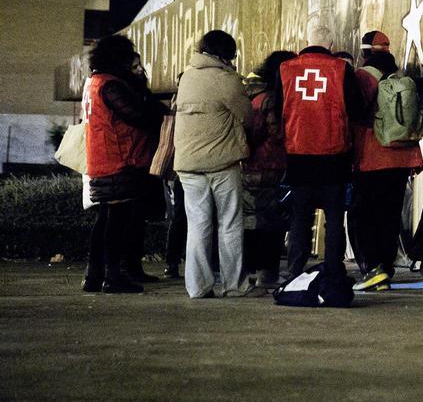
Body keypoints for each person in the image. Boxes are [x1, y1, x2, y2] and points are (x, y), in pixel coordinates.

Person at [276, 22, 366, 279]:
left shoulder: (285, 70)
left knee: (300, 217)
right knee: (334, 218)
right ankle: (334, 272)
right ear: (331, 45)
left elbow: (277, 111)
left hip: (298, 155)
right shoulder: (340, 69)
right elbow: (356, 110)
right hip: (334, 156)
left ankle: (294, 273)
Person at [82, 35, 167, 294]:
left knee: (106, 218)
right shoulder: (110, 85)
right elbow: (138, 116)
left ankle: (94, 275)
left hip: (102, 158)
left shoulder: (94, 82)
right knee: (116, 221)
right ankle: (112, 276)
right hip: (119, 160)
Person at [173, 30, 252, 299]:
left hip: (187, 164)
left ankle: (197, 287)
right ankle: (234, 285)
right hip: (221, 163)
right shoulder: (226, 80)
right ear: (224, 55)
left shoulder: (187, 77)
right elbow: (247, 116)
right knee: (229, 223)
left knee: (197, 225)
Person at [350, 40, 423, 291]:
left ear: (364, 53)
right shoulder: (401, 77)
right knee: (390, 215)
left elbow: (354, 111)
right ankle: (385, 270)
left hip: (372, 156)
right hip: (402, 156)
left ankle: (373, 269)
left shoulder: (363, 76)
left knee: (364, 214)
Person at [242, 50, 296, 289]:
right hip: (269, 166)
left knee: (252, 221)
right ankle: (268, 273)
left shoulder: (254, 96)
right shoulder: (271, 99)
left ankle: (248, 271)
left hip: (253, 167)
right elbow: (276, 133)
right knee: (270, 223)